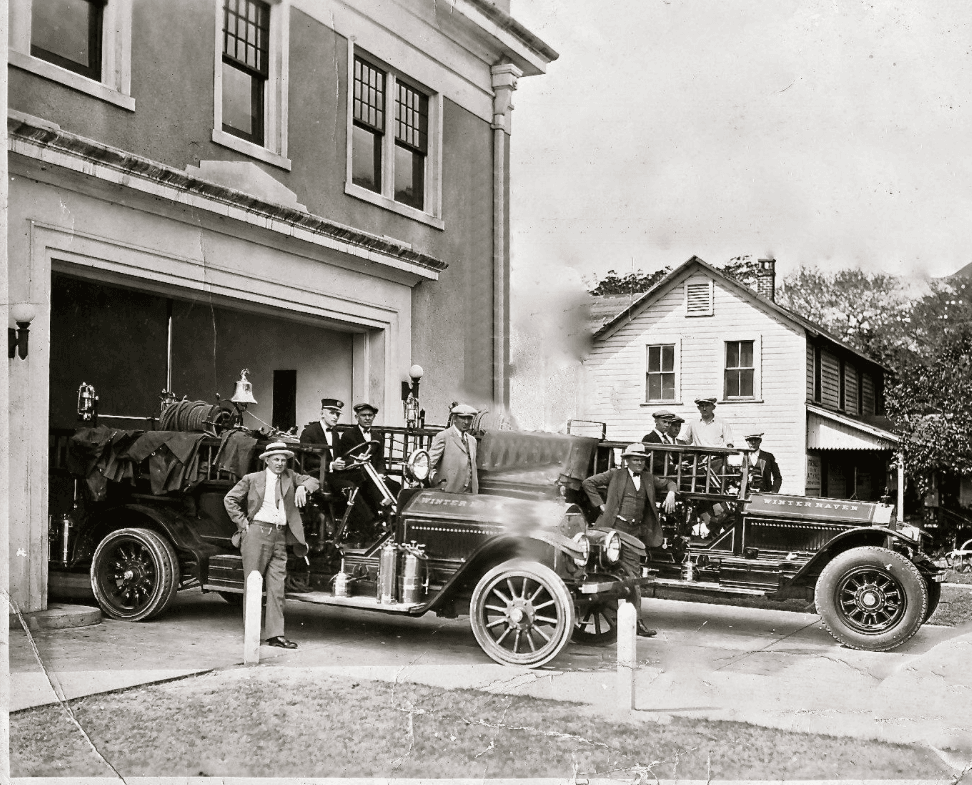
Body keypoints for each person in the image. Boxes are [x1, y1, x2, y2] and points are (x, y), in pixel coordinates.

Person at [223, 442, 319, 649]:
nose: (280, 463)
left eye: (284, 459)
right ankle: (252, 633)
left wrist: (302, 486)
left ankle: (276, 635)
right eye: (276, 459)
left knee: (277, 587)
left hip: (280, 536)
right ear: (267, 460)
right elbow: (230, 499)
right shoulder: (252, 479)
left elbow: (314, 481)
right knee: (254, 584)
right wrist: (242, 523)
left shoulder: (290, 477)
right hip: (256, 533)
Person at [581, 443, 677, 638]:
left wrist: (671, 492)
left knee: (633, 575)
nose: (639, 462)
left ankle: (637, 622)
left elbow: (669, 482)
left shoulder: (648, 478)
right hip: (612, 529)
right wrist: (601, 506)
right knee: (604, 571)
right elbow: (588, 483)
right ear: (627, 460)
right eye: (635, 459)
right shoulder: (615, 474)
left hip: (634, 533)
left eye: (642, 459)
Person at [428, 403, 479, 493]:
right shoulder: (444, 436)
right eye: (462, 418)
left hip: (469, 494)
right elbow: (429, 462)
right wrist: (436, 480)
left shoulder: (472, 440)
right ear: (454, 419)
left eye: (469, 418)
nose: (466, 422)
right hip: (449, 493)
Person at [299, 397, 345, 479]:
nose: (335, 417)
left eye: (337, 414)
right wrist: (331, 465)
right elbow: (306, 460)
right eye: (332, 413)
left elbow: (338, 455)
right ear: (322, 413)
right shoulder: (309, 432)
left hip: (333, 474)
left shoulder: (335, 434)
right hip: (316, 476)